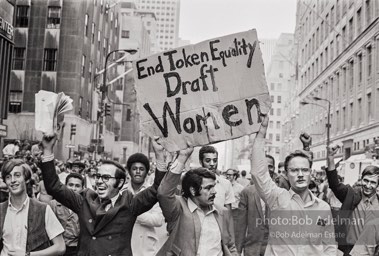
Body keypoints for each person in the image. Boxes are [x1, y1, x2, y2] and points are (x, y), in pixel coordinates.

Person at [40, 135, 167, 255]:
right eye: (98, 176)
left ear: (120, 182)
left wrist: (160, 155)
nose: (100, 181)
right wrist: (47, 150)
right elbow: (54, 186)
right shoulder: (84, 200)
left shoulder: (129, 204)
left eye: (106, 177)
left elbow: (158, 189)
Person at [250, 116, 336, 255]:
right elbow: (258, 173)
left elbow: (329, 246)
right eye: (294, 170)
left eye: (305, 170)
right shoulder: (277, 198)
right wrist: (261, 135)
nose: (300, 174)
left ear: (310, 173)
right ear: (286, 174)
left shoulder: (323, 208)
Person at [156, 144, 237, 256]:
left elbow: (230, 245)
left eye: (213, 186)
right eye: (208, 188)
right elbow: (164, 193)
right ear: (193, 190)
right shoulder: (179, 210)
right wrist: (182, 158)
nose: (214, 192)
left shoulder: (221, 212)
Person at [0, 159, 66, 256]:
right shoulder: (1, 210)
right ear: (5, 181)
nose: (13, 180)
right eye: (8, 177)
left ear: (26, 179)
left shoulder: (43, 209)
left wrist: (29, 255)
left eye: (17, 175)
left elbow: (60, 247)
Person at [326, 147, 379, 255]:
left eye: (373, 182)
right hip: (348, 250)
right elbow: (334, 184)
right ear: (361, 179)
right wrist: (331, 158)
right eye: (366, 180)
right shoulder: (351, 195)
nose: (368, 185)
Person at [124, 153, 165, 256]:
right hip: (124, 244)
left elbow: (158, 220)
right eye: (134, 168)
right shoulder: (121, 191)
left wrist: (133, 212)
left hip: (146, 247)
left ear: (147, 172)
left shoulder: (153, 193)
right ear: (129, 171)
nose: (138, 172)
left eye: (141, 169)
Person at [49, 173, 84, 256]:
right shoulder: (53, 204)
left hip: (76, 249)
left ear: (83, 188)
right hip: (56, 247)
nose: (73, 188)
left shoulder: (85, 206)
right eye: (70, 185)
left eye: (77, 186)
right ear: (65, 186)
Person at [199, 145, 235, 209]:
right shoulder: (193, 182)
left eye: (215, 160)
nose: (212, 164)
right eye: (208, 160)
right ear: (200, 161)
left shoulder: (226, 183)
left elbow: (228, 212)